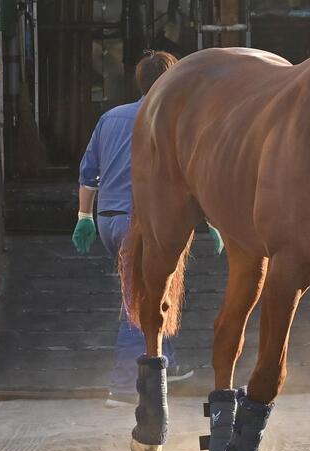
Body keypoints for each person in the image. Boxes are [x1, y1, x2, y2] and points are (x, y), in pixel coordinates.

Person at [72, 51, 221, 407]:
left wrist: (85, 217)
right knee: (138, 300)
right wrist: (214, 220)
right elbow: (193, 175)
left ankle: (163, 360)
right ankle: (124, 387)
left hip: (109, 218)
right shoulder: (174, 119)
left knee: (156, 286)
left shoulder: (110, 117)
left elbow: (88, 173)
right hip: (142, 221)